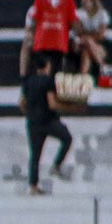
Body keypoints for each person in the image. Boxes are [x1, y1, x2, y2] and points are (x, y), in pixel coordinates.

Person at [20, 54, 74, 195]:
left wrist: (31, 111)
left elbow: (22, 103)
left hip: (33, 122)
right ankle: (56, 165)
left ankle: (33, 186)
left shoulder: (28, 81)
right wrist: (68, 106)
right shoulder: (48, 81)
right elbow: (52, 103)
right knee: (66, 138)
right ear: (47, 67)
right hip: (47, 120)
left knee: (35, 155)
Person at [21, 0, 76, 76]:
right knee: (54, 69)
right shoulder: (67, 0)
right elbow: (73, 22)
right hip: (56, 41)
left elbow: (34, 21)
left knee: (46, 67)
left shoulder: (42, 0)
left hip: (45, 41)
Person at [73, 0, 110, 77]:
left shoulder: (102, 14)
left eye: (86, 0)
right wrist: (91, 34)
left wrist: (86, 35)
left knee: (86, 51)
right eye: (83, 1)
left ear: (93, 1)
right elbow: (78, 31)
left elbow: (101, 35)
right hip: (80, 44)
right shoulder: (79, 13)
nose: (84, 3)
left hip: (99, 47)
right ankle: (103, 67)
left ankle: (83, 76)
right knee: (86, 42)